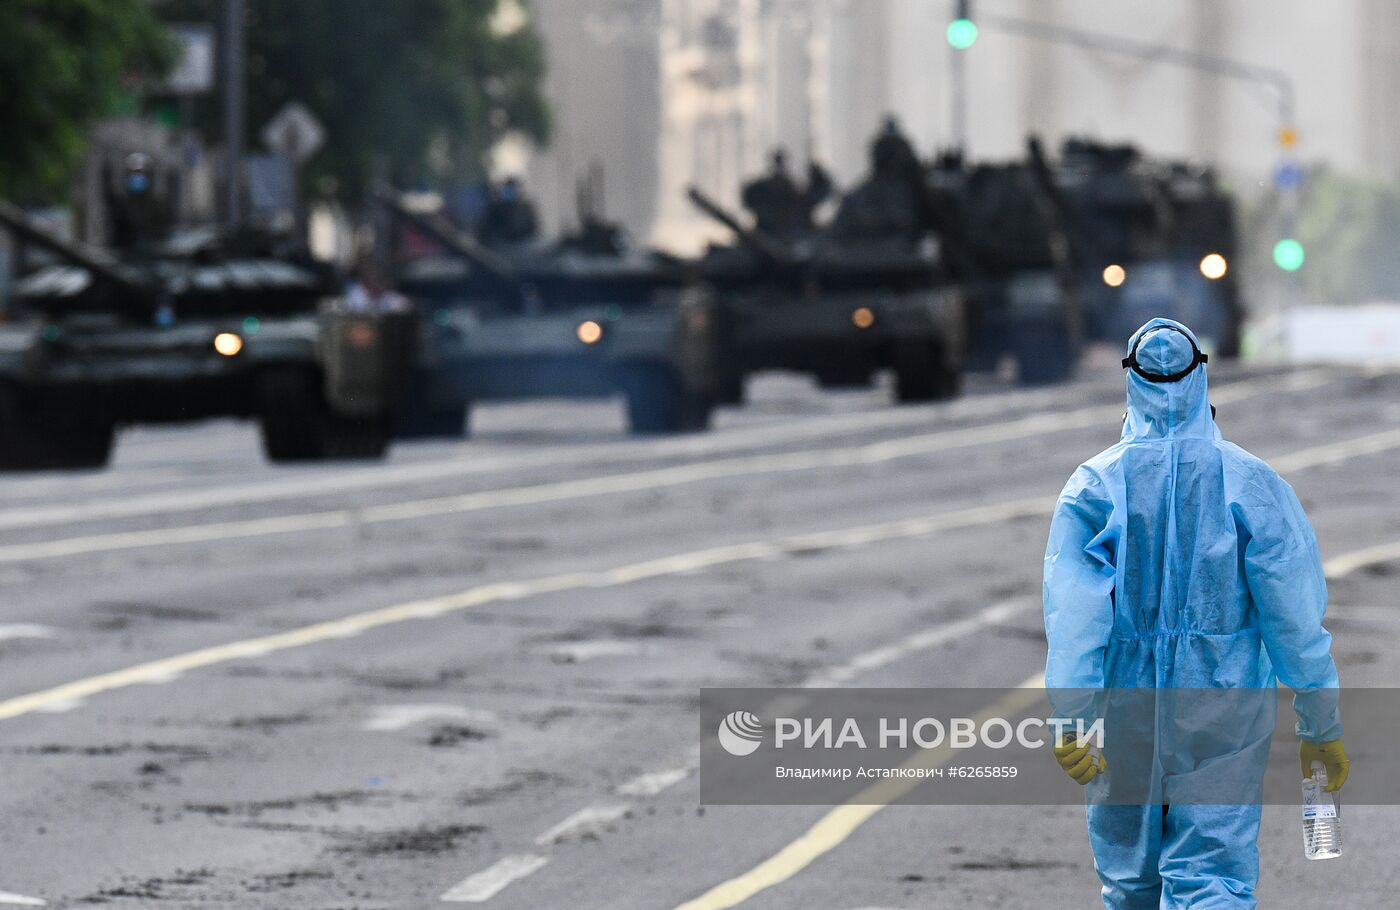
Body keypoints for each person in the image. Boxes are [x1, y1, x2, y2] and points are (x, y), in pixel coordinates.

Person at [1043, 318, 1350, 909]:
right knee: (1212, 878)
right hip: (1222, 707)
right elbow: (1294, 614)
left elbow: (1074, 615)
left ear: (1129, 380)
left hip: (1124, 708)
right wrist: (1319, 719)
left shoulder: (1093, 487)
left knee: (1130, 882)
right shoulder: (1252, 483)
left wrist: (1072, 714)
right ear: (1203, 376)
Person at [740, 149, 832, 241]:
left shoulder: (799, 198)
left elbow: (822, 191)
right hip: (769, 239)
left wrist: (818, 176)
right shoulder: (762, 191)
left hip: (801, 238)